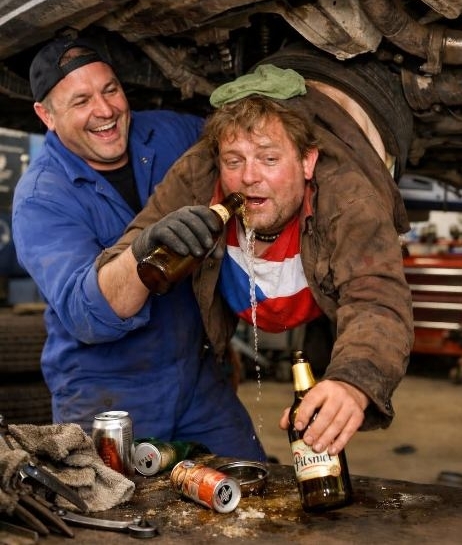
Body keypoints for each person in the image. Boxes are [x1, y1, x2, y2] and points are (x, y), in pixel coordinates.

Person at [96, 63, 414, 457]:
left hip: (366, 89)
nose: (249, 177)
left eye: (269, 159)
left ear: (307, 161)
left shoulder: (349, 198)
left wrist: (354, 382)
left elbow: (378, 299)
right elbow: (113, 287)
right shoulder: (198, 176)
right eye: (234, 161)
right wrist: (141, 250)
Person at [12, 34, 266, 461]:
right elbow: (86, 314)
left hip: (197, 378)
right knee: (115, 501)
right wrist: (142, 251)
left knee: (249, 484)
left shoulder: (168, 133)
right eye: (81, 101)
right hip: (106, 393)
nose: (105, 110)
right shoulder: (41, 198)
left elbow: (242, 143)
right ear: (46, 115)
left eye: (110, 89)